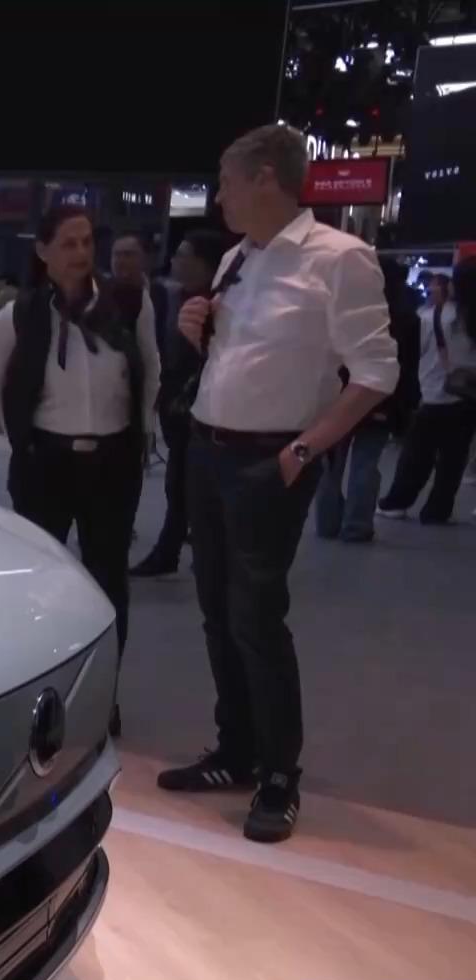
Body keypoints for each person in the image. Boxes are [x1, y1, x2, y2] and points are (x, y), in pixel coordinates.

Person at [158, 125, 396, 844]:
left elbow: (377, 373)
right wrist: (199, 328)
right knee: (216, 611)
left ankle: (279, 773)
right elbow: (240, 358)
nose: (218, 196)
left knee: (256, 619)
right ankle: (236, 750)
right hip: (207, 452)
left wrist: (301, 452)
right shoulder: (240, 257)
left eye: (226, 182)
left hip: (268, 463)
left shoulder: (339, 258)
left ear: (266, 178)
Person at [0, 204, 161, 692]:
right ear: (43, 251)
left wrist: (142, 434)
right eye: (68, 243)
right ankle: (37, 690)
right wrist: (23, 442)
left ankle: (103, 693)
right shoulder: (19, 314)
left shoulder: (129, 303)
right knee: (38, 579)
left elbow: (151, 370)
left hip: (113, 463)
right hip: (45, 463)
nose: (82, 252)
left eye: (87, 241)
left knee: (108, 581)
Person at [132, 229, 232, 577]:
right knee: (180, 482)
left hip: (204, 411)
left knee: (188, 484)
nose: (176, 261)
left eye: (184, 255)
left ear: (205, 264)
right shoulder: (171, 298)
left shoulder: (219, 305)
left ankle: (178, 550)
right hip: (177, 407)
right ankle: (177, 548)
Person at [315, 259, 421, 542]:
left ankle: (327, 523)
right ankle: (357, 525)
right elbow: (409, 367)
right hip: (380, 398)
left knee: (331, 462)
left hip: (339, 395)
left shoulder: (346, 311)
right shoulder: (406, 318)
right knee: (366, 462)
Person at [377, 266, 475, 524]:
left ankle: (397, 503)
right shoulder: (469, 318)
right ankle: (438, 510)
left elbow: (414, 354)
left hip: (435, 393)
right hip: (468, 397)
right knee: (454, 459)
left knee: (417, 454)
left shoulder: (433, 317)